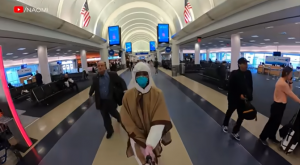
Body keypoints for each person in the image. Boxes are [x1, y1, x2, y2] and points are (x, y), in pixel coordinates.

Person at [121, 62, 172, 165]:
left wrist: (150, 143)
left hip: (153, 135)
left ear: (149, 74)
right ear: (134, 76)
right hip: (136, 137)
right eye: (138, 75)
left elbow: (160, 118)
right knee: (141, 159)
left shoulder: (157, 94)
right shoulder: (128, 96)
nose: (142, 77)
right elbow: (126, 119)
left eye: (144, 74)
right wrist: (139, 139)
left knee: (152, 156)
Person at [260, 67, 300, 145]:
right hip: (278, 106)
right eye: (291, 74)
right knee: (271, 123)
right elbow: (290, 94)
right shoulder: (282, 83)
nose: (291, 75)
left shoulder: (284, 81)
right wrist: (299, 101)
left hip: (280, 105)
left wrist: (290, 82)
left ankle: (272, 136)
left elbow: (290, 90)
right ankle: (262, 137)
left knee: (277, 123)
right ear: (286, 74)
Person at [89, 61, 127, 139]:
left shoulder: (112, 75)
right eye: (98, 66)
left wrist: (125, 90)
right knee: (105, 117)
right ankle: (109, 131)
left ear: (105, 67)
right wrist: (90, 93)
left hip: (111, 99)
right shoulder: (95, 77)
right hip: (101, 101)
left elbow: (121, 81)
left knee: (113, 112)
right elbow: (93, 86)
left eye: (102, 65)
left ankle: (118, 118)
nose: (100, 67)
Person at [222, 57, 253, 141]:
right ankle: (225, 124)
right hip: (233, 98)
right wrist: (239, 95)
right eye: (244, 64)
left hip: (243, 100)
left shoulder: (248, 73)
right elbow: (230, 87)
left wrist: (249, 96)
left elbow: (250, 86)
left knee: (241, 115)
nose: (246, 65)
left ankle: (235, 131)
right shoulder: (234, 74)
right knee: (230, 111)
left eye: (246, 63)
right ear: (239, 65)